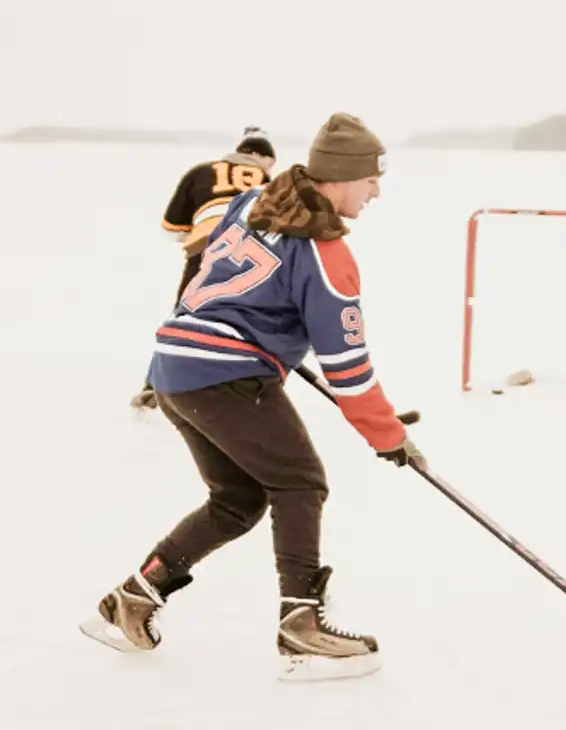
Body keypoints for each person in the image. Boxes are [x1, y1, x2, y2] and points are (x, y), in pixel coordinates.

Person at [82, 112, 424, 682]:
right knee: (301, 482)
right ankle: (302, 628)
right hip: (225, 375)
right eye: (370, 179)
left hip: (175, 366)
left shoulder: (257, 202)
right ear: (340, 178)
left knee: (237, 500)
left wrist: (267, 336)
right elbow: (348, 368)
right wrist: (390, 436)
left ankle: (132, 601)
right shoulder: (327, 254)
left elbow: (208, 268)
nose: (377, 191)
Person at [131, 127, 278, 410]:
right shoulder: (268, 181)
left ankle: (154, 389)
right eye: (270, 162)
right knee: (249, 318)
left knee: (184, 316)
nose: (270, 168)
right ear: (258, 156)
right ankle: (246, 386)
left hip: (206, 248)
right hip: (254, 256)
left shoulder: (200, 172)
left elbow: (171, 229)